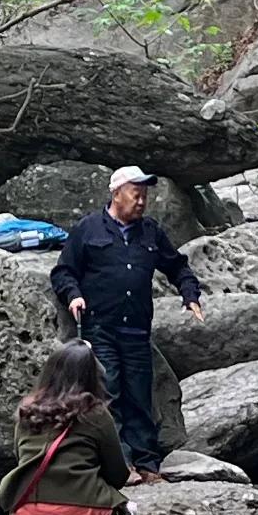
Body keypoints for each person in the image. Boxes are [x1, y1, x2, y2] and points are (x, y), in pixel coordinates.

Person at [49, 164, 204, 479]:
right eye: (136, 194)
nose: (142, 201)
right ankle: (122, 465)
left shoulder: (151, 232)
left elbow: (177, 266)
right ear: (116, 193)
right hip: (99, 327)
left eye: (145, 195)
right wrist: (73, 295)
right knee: (110, 395)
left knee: (139, 396)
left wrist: (190, 295)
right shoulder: (89, 229)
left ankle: (148, 464)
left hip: (136, 329)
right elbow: (63, 271)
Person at [0, 341, 131, 515]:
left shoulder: (26, 412)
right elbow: (118, 474)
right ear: (92, 376)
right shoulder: (96, 414)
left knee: (27, 498)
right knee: (116, 504)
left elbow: (23, 463)